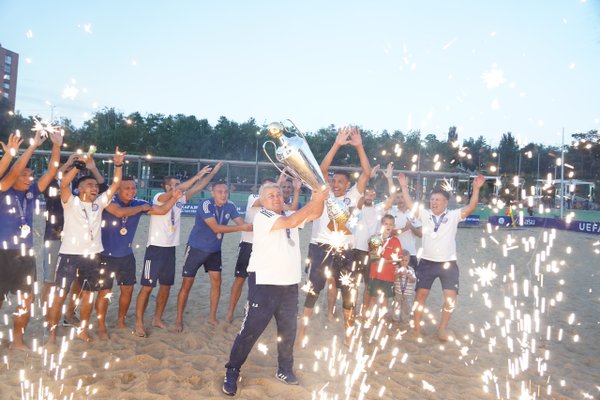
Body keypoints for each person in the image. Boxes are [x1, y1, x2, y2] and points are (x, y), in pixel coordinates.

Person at [222, 182, 328, 396]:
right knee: (251, 330)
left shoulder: (289, 214)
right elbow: (290, 221)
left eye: (279, 194)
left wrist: (320, 196)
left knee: (288, 331)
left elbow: (315, 213)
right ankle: (232, 370)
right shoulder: (263, 216)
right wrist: (316, 198)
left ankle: (285, 369)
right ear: (262, 201)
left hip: (289, 284)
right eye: (271, 195)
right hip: (264, 283)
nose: (277, 198)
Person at [298, 126, 371, 347]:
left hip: (345, 251)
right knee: (313, 291)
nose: (336, 184)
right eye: (333, 181)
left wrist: (359, 146)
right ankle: (302, 331)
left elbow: (367, 172)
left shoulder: (353, 196)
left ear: (348, 185)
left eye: (340, 182)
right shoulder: (324, 192)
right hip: (322, 248)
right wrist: (337, 144)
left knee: (348, 292)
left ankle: (348, 333)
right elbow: (321, 169)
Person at [47, 147, 125, 343]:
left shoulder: (99, 203)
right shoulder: (70, 201)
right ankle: (52, 335)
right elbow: (64, 183)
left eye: (95, 186)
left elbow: (116, 184)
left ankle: (82, 329)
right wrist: (77, 166)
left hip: (93, 256)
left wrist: (118, 164)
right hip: (69, 255)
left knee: (88, 295)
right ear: (80, 189)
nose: (95, 188)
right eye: (90, 185)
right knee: (60, 296)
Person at [134, 163, 222, 337]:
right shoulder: (159, 197)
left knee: (166, 286)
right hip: (155, 248)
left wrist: (211, 174)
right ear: (167, 187)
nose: (179, 188)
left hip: (170, 248)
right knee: (147, 287)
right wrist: (196, 176)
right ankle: (138, 323)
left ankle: (157, 318)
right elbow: (183, 188)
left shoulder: (180, 199)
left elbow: (199, 187)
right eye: (175, 185)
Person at [397, 173, 485, 341]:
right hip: (427, 262)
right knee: (420, 296)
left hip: (448, 264)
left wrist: (476, 189)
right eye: (432, 199)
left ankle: (442, 329)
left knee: (450, 300)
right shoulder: (425, 214)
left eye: (438, 200)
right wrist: (403, 186)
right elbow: (409, 204)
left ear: (445, 202)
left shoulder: (453, 215)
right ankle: (416, 329)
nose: (434, 202)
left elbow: (471, 207)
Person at [0, 129, 61, 350]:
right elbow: (12, 169)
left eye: (31, 174)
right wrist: (31, 146)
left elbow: (52, 171)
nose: (29, 178)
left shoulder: (32, 191)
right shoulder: (3, 189)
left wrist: (56, 146)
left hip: (25, 254)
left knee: (27, 300)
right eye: (24, 175)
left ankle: (17, 340)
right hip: (2, 253)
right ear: (14, 175)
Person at [100, 176, 183, 334]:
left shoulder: (138, 202)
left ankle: (121, 322)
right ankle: (102, 326)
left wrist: (174, 198)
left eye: (134, 188)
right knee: (105, 292)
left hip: (127, 255)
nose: (132, 191)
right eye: (127, 188)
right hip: (105, 255)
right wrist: (141, 208)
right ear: (118, 189)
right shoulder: (109, 200)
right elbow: (119, 213)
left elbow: (162, 210)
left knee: (128, 290)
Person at [40, 152, 108, 323]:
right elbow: (53, 181)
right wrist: (68, 164)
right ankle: (49, 318)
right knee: (51, 280)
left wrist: (92, 167)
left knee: (79, 282)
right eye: (67, 166)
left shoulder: (80, 188)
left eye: (74, 166)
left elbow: (104, 189)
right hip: (55, 236)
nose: (71, 169)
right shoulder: (53, 184)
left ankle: (70, 314)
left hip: (79, 241)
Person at [175, 181, 252, 330]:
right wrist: (241, 227)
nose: (223, 195)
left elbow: (241, 223)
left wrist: (251, 226)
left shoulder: (230, 206)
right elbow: (216, 228)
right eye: (220, 192)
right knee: (187, 283)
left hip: (215, 250)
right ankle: (178, 319)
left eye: (226, 192)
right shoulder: (205, 204)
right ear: (213, 193)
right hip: (196, 249)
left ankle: (212, 317)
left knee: (217, 283)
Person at [225, 174, 301, 323]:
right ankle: (230, 312)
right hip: (248, 244)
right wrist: (278, 183)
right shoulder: (253, 198)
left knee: (262, 281)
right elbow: (265, 199)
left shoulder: (276, 203)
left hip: (265, 247)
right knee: (240, 279)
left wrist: (297, 190)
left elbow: (292, 208)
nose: (273, 194)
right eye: (268, 188)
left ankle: (256, 309)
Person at [382, 163, 422, 270]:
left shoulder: (413, 212)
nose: (400, 199)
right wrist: (404, 229)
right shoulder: (391, 211)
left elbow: (420, 234)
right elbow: (388, 233)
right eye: (398, 197)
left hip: (411, 254)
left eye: (402, 197)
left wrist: (411, 227)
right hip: (394, 254)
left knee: (410, 279)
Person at [364, 214, 402, 325]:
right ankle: (370, 319)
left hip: (388, 275)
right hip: (374, 275)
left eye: (391, 224)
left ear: (394, 226)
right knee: (373, 297)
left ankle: (382, 320)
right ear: (381, 225)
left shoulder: (395, 241)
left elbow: (398, 258)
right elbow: (373, 258)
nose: (388, 226)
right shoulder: (375, 239)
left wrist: (384, 261)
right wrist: (386, 260)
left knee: (384, 299)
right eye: (386, 224)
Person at [392, 249, 416, 323]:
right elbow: (393, 278)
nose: (404, 262)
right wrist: (399, 274)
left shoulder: (411, 269)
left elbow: (413, 280)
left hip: (407, 293)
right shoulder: (396, 268)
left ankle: (405, 319)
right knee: (396, 306)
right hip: (397, 292)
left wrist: (408, 275)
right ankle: (395, 319)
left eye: (406, 260)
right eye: (402, 260)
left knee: (406, 306)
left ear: (409, 261)